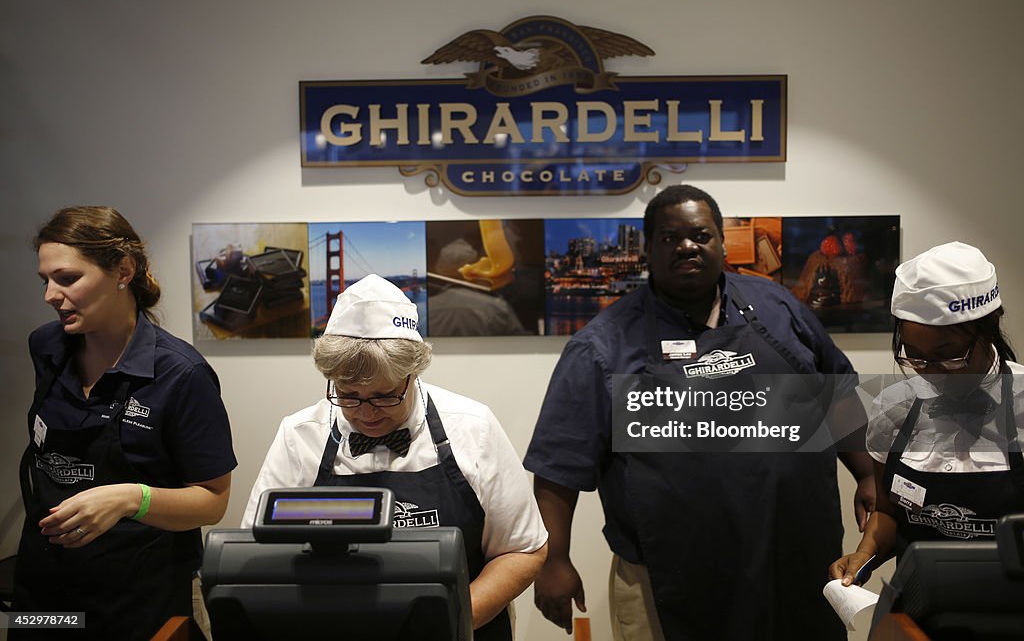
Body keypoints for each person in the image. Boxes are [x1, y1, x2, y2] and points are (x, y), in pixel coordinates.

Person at [525, 185, 875, 640]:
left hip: (792, 558)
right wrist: (555, 559)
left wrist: (867, 474)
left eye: (700, 235)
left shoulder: (778, 306)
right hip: (668, 576)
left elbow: (836, 393)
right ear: (648, 249)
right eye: (670, 238)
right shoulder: (601, 345)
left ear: (722, 243)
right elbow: (559, 467)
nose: (687, 246)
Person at [242, 274, 548, 641]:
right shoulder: (300, 436)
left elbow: (523, 549)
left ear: (412, 375)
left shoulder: (472, 427)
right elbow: (257, 557)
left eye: (385, 395)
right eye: (348, 395)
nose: (366, 413)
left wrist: (448, 621)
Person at [15, 206, 237, 640]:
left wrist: (130, 498)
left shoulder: (181, 375)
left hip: (138, 598)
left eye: (67, 278)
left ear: (123, 270)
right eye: (46, 281)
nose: (50, 296)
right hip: (44, 589)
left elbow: (212, 501)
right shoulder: (45, 346)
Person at [830, 241, 1023, 586]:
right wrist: (865, 553)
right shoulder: (894, 408)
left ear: (990, 326)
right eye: (915, 357)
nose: (931, 374)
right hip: (920, 611)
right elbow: (889, 512)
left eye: (949, 356)